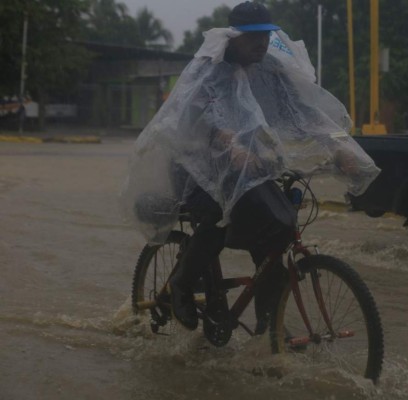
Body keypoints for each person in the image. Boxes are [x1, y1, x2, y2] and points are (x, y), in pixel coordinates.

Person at [121, 1, 380, 333]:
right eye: (253, 37)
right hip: (195, 168)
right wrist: (229, 142)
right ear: (234, 37)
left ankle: (268, 328)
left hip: (245, 168)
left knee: (273, 234)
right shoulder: (208, 70)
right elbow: (196, 117)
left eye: (266, 36)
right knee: (217, 212)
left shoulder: (269, 70)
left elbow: (307, 113)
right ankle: (181, 285)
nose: (261, 44)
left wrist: (339, 145)